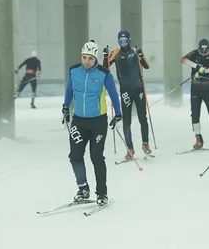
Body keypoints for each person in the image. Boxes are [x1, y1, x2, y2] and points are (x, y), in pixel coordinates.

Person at [62, 41, 122, 206]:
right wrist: (65, 108)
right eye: (84, 57)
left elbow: (114, 95)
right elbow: (69, 91)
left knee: (96, 157)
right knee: (75, 156)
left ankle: (102, 193)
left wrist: (118, 114)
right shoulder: (74, 71)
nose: (87, 61)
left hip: (98, 122)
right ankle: (83, 188)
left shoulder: (104, 74)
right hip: (79, 121)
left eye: (90, 58)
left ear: (95, 58)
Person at [103, 30, 151, 160]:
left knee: (143, 118)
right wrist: (105, 56)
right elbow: (105, 68)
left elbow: (147, 66)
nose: (123, 43)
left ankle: (145, 144)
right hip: (125, 91)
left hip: (138, 89)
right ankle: (130, 148)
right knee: (127, 121)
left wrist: (140, 55)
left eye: (125, 41)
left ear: (129, 40)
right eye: (120, 41)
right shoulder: (115, 53)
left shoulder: (135, 50)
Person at [180, 38, 209, 150]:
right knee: (195, 114)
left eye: (206, 50)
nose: (204, 52)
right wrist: (197, 67)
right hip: (195, 90)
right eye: (202, 50)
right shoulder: (194, 53)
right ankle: (198, 138)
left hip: (208, 90)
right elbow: (183, 60)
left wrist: (204, 70)